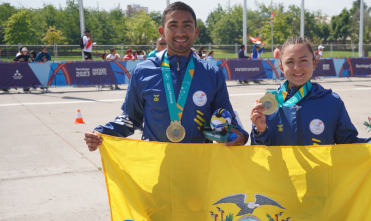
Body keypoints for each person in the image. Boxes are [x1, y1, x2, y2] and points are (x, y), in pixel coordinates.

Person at [84, 1, 248, 151]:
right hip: (156, 166)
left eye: (187, 25)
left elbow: (225, 118)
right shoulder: (143, 72)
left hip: (199, 168)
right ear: (162, 32)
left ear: (196, 32)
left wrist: (239, 136)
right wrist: (102, 133)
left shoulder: (212, 74)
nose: (180, 32)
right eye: (173, 25)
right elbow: (130, 118)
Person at [249, 36, 371, 152]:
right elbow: (261, 154)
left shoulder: (332, 102)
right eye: (290, 62)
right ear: (281, 67)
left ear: (314, 63)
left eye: (303, 60)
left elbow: (348, 144)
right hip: (281, 188)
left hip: (321, 186)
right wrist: (260, 131)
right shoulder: (269, 105)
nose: (297, 67)